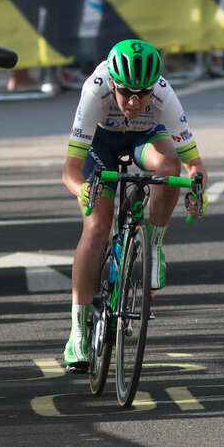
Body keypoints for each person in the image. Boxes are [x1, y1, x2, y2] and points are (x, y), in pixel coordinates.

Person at [59, 39, 208, 371]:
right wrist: (83, 190)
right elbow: (70, 171)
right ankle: (77, 332)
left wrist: (197, 188)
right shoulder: (94, 90)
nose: (134, 101)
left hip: (145, 138)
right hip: (101, 144)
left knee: (168, 167)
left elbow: (194, 164)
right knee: (97, 226)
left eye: (143, 94)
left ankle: (153, 246)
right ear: (112, 84)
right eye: (126, 92)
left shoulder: (164, 94)